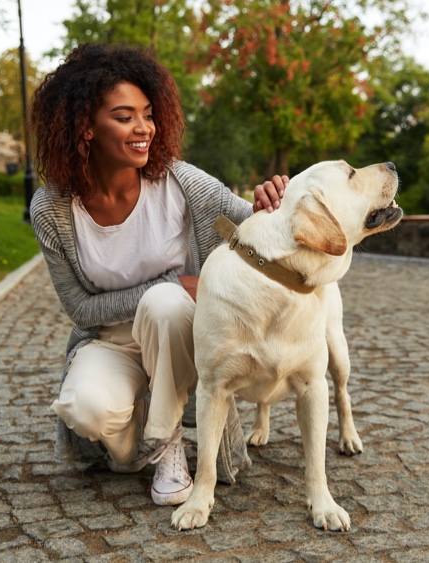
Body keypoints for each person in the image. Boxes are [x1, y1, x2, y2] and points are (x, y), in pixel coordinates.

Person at [29, 42, 287, 507]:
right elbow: (80, 309)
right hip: (113, 340)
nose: (143, 128)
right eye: (124, 116)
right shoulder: (52, 208)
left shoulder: (180, 183)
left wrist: (272, 203)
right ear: (85, 127)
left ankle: (168, 441)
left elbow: (249, 225)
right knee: (84, 410)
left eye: (147, 114)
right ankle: (143, 439)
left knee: (165, 305)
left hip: (179, 333)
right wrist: (173, 282)